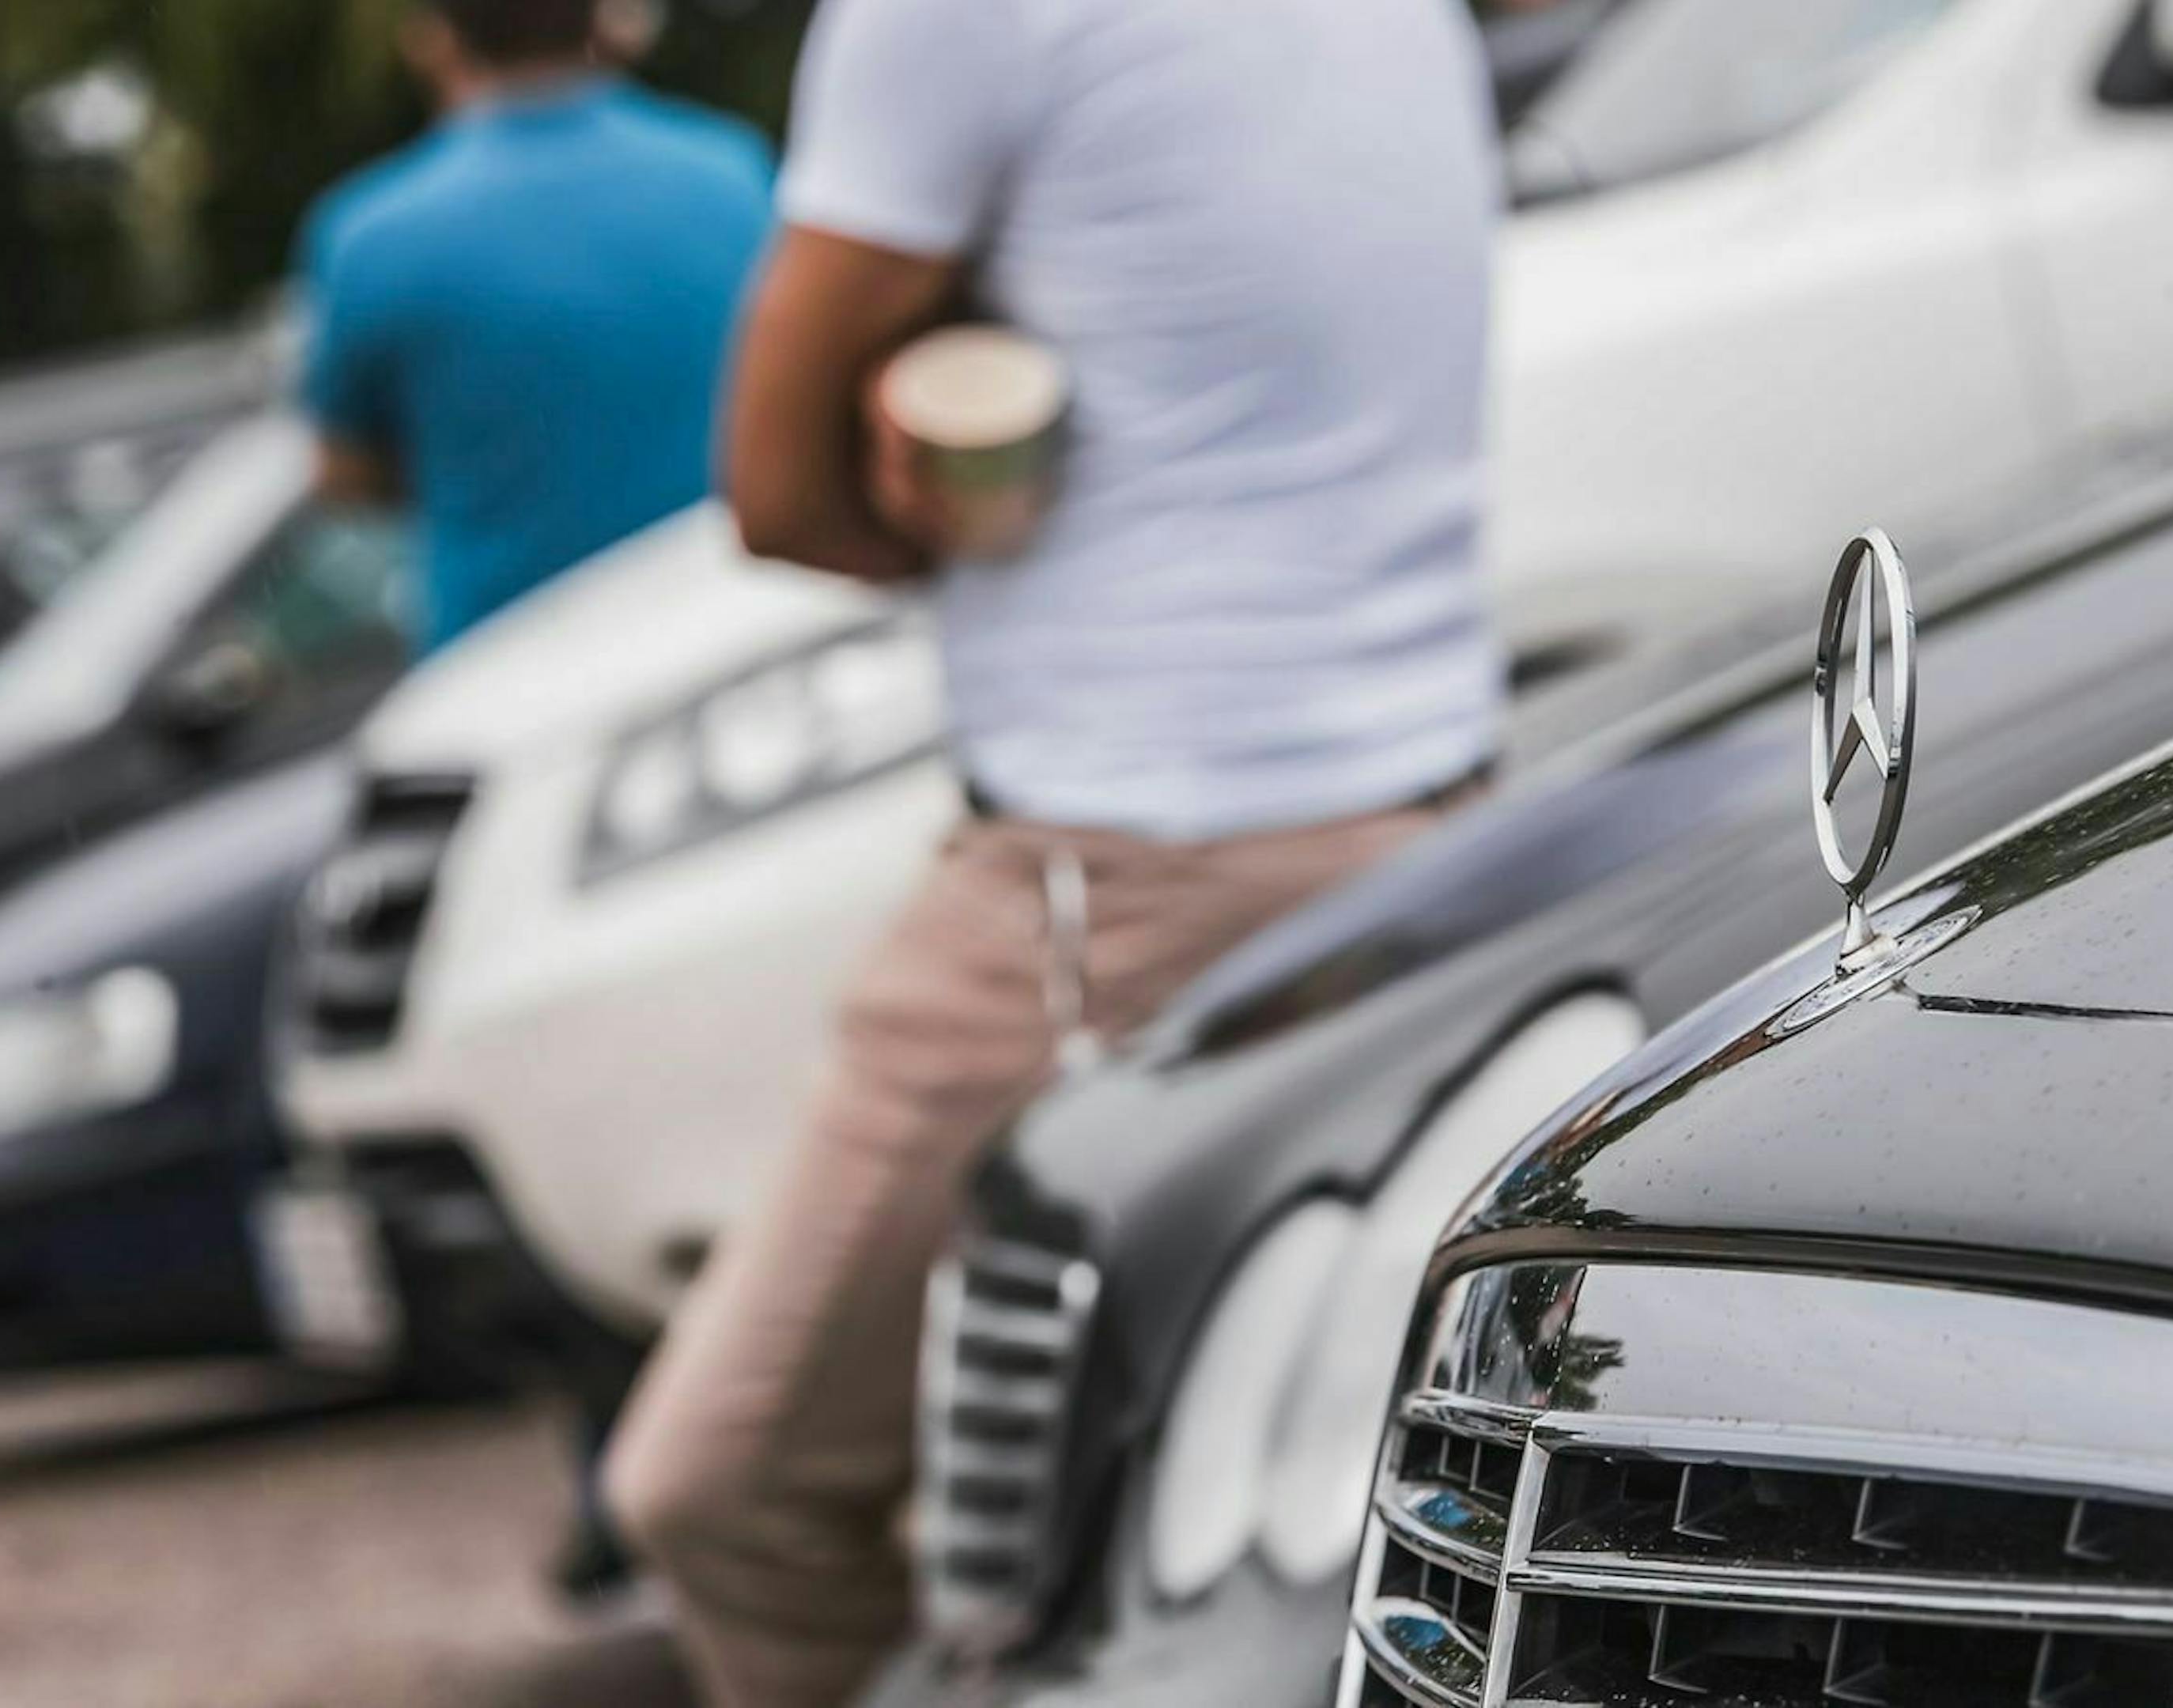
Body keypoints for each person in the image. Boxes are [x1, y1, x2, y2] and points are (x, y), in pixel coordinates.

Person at [598, 0, 1509, 1701]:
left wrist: (921, 488)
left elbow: (777, 486)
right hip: (1429, 822)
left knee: (724, 1487)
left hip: (1125, 873)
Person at [297, 0, 773, 652]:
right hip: (742, 636)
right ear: (603, 22)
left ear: (432, 41)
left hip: (502, 660)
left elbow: (345, 475)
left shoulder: (369, 235)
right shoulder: (735, 170)